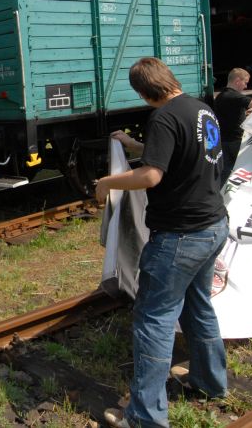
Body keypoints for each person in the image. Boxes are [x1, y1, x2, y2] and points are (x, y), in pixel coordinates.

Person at [94, 57, 228, 428]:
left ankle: (144, 417)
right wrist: (133, 144)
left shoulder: (164, 117)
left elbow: (152, 175)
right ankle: (210, 383)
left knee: (153, 320)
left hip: (180, 237)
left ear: (143, 90)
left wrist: (108, 183)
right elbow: (177, 154)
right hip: (213, 226)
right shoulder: (202, 110)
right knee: (198, 308)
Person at [215, 68, 252, 182]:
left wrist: (245, 114)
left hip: (224, 141)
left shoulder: (221, 96)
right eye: (245, 82)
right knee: (244, 169)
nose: (245, 87)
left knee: (226, 170)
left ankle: (223, 194)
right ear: (237, 81)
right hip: (235, 142)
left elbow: (231, 114)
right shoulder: (233, 96)